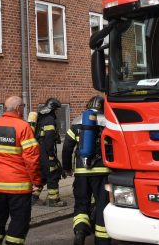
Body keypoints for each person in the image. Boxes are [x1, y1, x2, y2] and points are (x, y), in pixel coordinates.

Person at [0, 96, 42, 245]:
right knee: (19, 221)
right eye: (23, 106)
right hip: (19, 188)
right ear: (18, 108)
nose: (23, 108)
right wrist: (36, 181)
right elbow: (31, 158)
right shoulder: (23, 127)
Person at [62, 95, 111, 245]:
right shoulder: (107, 122)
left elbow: (67, 148)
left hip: (82, 172)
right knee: (103, 206)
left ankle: (80, 231)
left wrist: (67, 168)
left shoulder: (77, 122)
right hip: (103, 173)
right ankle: (102, 240)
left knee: (81, 203)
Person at [33, 97, 66, 207]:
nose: (57, 112)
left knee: (43, 174)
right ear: (53, 109)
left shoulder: (41, 118)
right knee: (53, 173)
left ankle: (33, 197)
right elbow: (49, 138)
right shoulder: (50, 120)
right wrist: (51, 155)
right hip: (46, 152)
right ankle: (53, 200)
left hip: (39, 150)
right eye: (56, 109)